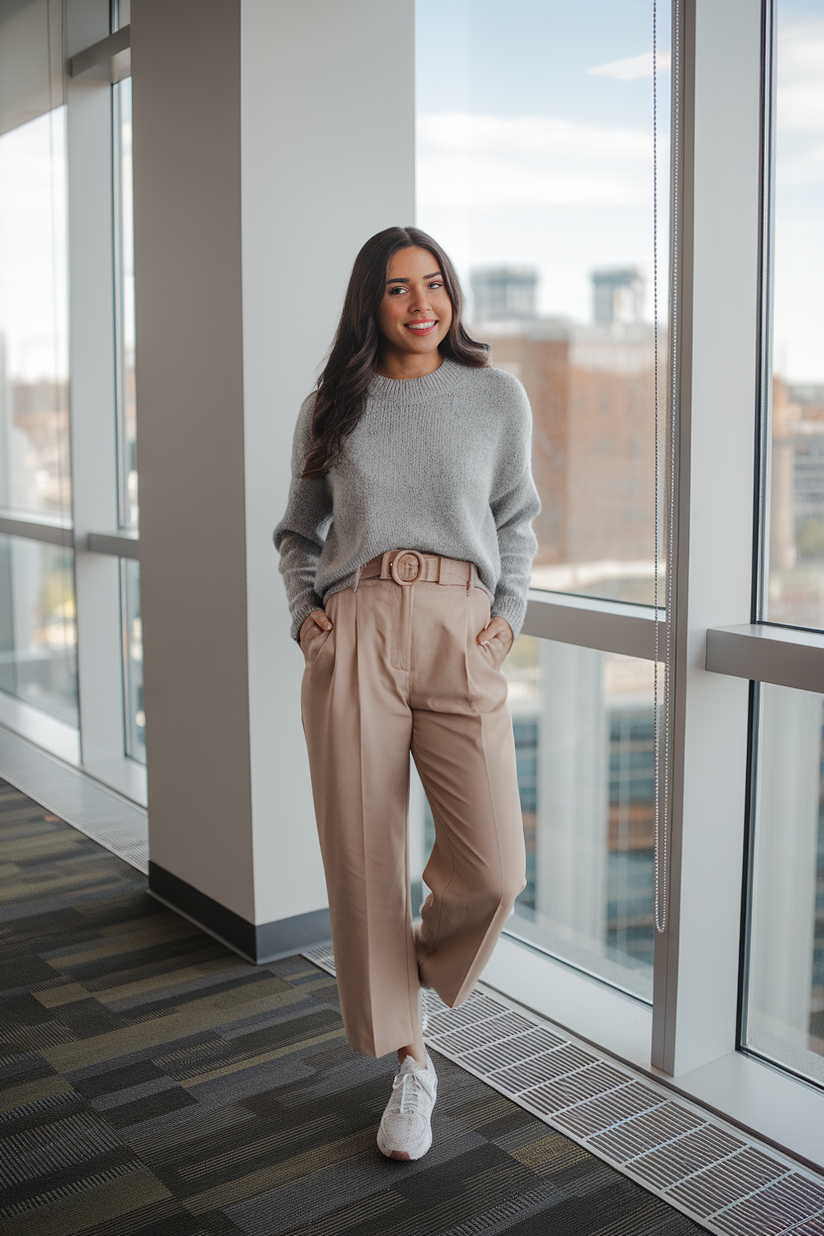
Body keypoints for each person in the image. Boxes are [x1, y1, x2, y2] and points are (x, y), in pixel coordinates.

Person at [274, 225, 540, 1161]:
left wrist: (504, 619)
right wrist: (309, 617)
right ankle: (413, 1062)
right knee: (363, 862)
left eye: (435, 284)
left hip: (461, 627)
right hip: (357, 629)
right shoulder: (331, 407)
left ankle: (406, 967)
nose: (423, 303)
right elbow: (297, 534)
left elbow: (518, 523)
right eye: (399, 288)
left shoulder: (495, 399)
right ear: (369, 303)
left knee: (497, 869)